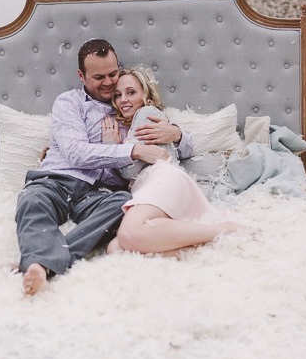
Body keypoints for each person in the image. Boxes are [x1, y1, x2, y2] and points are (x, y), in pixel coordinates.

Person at [16, 40, 189, 296]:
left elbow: (182, 149)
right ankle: (43, 263)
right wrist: (132, 150)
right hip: (56, 180)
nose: (109, 84)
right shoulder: (69, 102)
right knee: (31, 202)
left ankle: (42, 261)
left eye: (112, 74)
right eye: (99, 77)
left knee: (124, 204)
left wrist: (176, 134)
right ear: (81, 76)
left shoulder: (130, 108)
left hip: (99, 193)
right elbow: (76, 153)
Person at [102, 67, 241, 256]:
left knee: (128, 234)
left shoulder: (146, 114)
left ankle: (224, 230)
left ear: (146, 96)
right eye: (117, 95)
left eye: (131, 92)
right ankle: (194, 248)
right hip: (152, 187)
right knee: (116, 249)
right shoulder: (131, 126)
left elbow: (129, 172)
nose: (123, 100)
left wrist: (112, 147)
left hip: (162, 178)